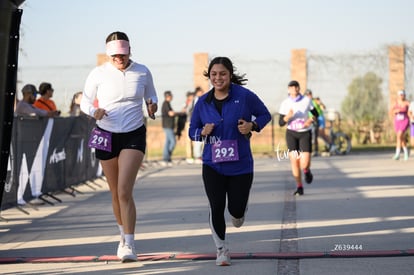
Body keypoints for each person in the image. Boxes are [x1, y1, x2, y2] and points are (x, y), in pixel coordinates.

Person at [80, 31, 158, 262]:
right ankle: (122, 237)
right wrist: (94, 111)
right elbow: (84, 100)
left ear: (129, 51)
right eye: (114, 55)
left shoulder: (142, 71)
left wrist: (152, 107)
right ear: (108, 54)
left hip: (133, 133)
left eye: (122, 54)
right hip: (106, 133)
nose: (119, 59)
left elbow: (151, 96)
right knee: (114, 192)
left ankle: (131, 244)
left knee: (124, 190)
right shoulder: (98, 73)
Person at [189, 56, 271, 266]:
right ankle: (221, 249)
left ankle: (239, 212)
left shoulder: (244, 96)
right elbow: (192, 132)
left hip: (241, 165)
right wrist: (202, 132)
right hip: (212, 165)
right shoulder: (202, 102)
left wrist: (252, 126)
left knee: (235, 211)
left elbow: (265, 114)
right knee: (216, 205)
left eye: (223, 74)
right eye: (214, 74)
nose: (218, 78)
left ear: (230, 75)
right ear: (209, 76)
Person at [278, 80, 319, 196]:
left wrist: (311, 120)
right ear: (288, 89)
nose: (294, 89)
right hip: (291, 133)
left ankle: (306, 171)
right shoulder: (285, 103)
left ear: (299, 88)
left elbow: (316, 114)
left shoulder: (307, 100)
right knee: (294, 161)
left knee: (304, 163)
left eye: (296, 87)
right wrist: (287, 117)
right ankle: (299, 186)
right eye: (291, 87)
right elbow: (281, 123)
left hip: (305, 133)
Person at [391, 90, 410, 161]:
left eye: (403, 95)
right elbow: (390, 111)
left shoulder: (407, 103)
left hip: (405, 120)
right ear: (398, 95)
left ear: (404, 95)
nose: (401, 96)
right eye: (400, 95)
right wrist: (395, 111)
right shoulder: (395, 103)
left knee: (399, 135)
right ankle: (405, 151)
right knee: (400, 138)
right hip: (397, 121)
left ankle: (397, 153)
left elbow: (410, 111)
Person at [161, 90, 176, 165]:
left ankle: (166, 158)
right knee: (173, 142)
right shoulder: (165, 104)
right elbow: (171, 113)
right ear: (168, 96)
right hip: (167, 126)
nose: (172, 97)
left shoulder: (168, 104)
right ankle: (166, 157)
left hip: (169, 125)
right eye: (171, 95)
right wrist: (179, 113)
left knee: (168, 142)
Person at [191, 86, 205, 164]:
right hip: (198, 121)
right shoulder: (197, 99)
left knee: (202, 140)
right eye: (201, 92)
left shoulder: (199, 99)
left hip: (201, 121)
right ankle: (197, 156)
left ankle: (200, 155)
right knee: (198, 139)